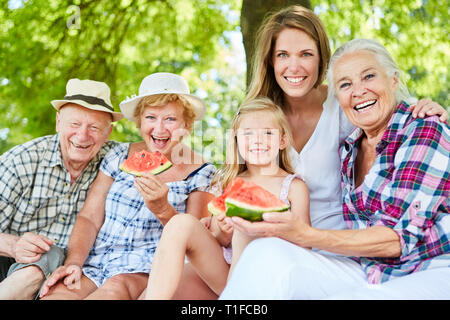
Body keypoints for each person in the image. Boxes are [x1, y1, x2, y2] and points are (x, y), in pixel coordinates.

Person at [172, 4, 449, 299]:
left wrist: (431, 114)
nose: (294, 66)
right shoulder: (269, 121)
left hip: (359, 254)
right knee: (200, 280)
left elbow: (401, 230)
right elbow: (236, 183)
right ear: (270, 62)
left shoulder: (351, 114)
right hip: (295, 247)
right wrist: (222, 225)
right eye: (283, 55)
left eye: (306, 54)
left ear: (321, 61)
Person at [39, 72, 216, 299]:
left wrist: (163, 209)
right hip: (93, 264)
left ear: (187, 124)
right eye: (151, 117)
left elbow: (194, 244)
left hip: (144, 270)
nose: (160, 129)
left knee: (114, 288)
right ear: (140, 121)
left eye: (170, 119)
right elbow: (89, 218)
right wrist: (74, 263)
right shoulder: (118, 155)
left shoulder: (201, 172)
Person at [144, 97, 310, 299]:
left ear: (283, 141)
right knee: (180, 223)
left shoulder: (294, 187)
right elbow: (217, 238)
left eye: (268, 133)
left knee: (245, 231)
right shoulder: (229, 183)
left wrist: (263, 229)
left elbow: (305, 243)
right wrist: (223, 231)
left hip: (267, 275)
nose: (258, 140)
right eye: (248, 134)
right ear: (237, 141)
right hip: (224, 273)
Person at [0, 78, 122, 299]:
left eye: (94, 127)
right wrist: (14, 245)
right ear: (58, 122)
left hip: (68, 277)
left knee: (52, 255)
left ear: (108, 133)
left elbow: (159, 146)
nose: (82, 136)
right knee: (45, 255)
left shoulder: (115, 161)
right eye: (74, 124)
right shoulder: (21, 162)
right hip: (9, 264)